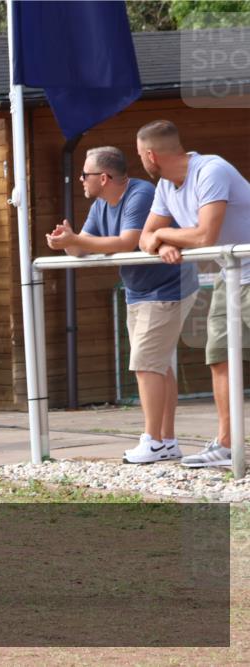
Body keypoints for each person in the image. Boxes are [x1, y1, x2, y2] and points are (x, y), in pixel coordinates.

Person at [47, 146, 199, 464]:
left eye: (85, 175)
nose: (80, 180)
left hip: (168, 288)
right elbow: (83, 249)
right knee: (158, 365)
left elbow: (127, 241)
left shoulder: (140, 194)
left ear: (103, 177)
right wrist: (66, 241)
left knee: (145, 365)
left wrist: (76, 240)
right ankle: (167, 441)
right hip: (139, 291)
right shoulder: (102, 204)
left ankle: (153, 441)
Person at [138, 119, 250, 469]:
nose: (140, 160)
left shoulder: (210, 170)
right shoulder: (165, 187)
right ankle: (228, 445)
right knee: (219, 356)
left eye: (139, 154)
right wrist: (161, 243)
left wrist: (166, 237)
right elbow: (145, 238)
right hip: (229, 273)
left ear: (151, 155)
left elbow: (205, 235)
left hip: (243, 267)